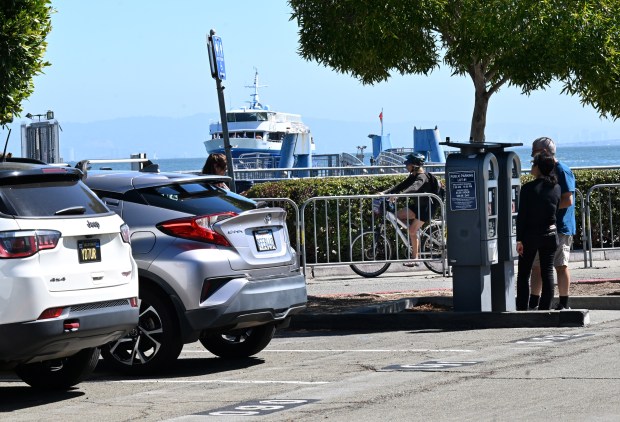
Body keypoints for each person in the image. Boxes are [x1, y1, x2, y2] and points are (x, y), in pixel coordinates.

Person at [528, 137, 576, 310]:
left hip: (561, 226)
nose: (534, 159)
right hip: (545, 226)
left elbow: (568, 200)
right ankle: (533, 302)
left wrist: (548, 211)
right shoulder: (545, 171)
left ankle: (563, 303)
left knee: (560, 265)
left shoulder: (562, 170)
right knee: (537, 266)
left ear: (545, 152)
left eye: (536, 154)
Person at [515, 152, 561, 310]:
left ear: (539, 167)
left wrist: (519, 239)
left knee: (524, 273)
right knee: (547, 270)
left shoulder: (528, 189)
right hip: (550, 234)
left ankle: (522, 307)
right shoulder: (556, 188)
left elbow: (522, 216)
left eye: (533, 164)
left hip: (530, 235)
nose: (531, 167)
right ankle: (545, 307)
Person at [381, 152, 434, 267]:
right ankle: (414, 232)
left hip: (426, 209)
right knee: (396, 216)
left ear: (415, 165)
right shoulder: (413, 175)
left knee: (411, 231)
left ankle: (415, 258)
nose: (406, 166)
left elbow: (414, 188)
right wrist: (384, 193)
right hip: (417, 207)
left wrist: (398, 196)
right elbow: (401, 186)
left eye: (408, 164)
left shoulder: (422, 177)